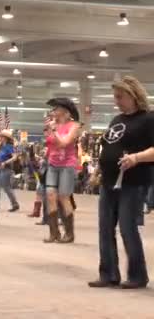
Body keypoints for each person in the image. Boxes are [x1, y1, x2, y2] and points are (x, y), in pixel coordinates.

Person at [88, 76, 153, 290]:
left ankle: (137, 275)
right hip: (109, 181)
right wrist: (98, 170)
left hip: (133, 182)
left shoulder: (148, 119)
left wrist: (136, 158)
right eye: (115, 97)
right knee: (105, 228)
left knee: (127, 227)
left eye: (120, 96)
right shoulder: (116, 120)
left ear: (134, 96)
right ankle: (108, 273)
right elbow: (108, 147)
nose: (116, 101)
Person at [43, 98, 81, 244]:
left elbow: (64, 143)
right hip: (52, 164)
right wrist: (49, 130)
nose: (53, 111)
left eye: (56, 108)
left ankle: (69, 233)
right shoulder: (52, 125)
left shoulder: (74, 126)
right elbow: (49, 144)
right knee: (50, 195)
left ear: (65, 111)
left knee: (64, 197)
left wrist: (54, 131)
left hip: (67, 165)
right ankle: (54, 233)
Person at [0, 129, 20, 212]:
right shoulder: (1, 147)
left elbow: (15, 157)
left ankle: (15, 204)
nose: (0, 137)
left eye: (1, 136)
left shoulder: (9, 147)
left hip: (6, 169)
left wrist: (5, 162)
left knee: (6, 188)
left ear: (5, 138)